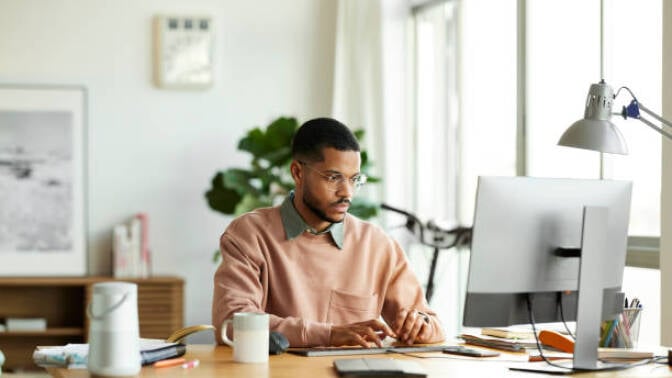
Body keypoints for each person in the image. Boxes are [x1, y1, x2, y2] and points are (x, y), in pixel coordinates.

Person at [212, 117, 445, 347]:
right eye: (334, 178)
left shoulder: (377, 245)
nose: (347, 193)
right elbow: (231, 324)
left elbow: (433, 325)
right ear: (297, 173)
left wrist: (420, 326)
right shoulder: (250, 235)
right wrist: (328, 335)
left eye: (354, 180)